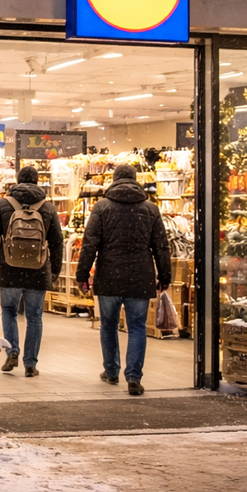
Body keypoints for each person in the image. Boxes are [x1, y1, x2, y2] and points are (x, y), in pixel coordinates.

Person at [75, 164, 171, 396]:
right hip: (140, 276)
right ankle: (134, 377)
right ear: (135, 181)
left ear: (114, 181)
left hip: (109, 274)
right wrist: (165, 276)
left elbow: (90, 244)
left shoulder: (102, 207)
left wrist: (82, 275)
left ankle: (111, 370)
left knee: (108, 325)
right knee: (137, 326)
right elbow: (161, 246)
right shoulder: (150, 209)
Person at [0, 166, 64, 376]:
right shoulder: (47, 207)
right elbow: (56, 241)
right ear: (37, 182)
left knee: (9, 312)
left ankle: (12, 350)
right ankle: (30, 364)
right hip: (38, 268)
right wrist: (55, 268)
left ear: (17, 182)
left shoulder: (3, 204)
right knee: (35, 316)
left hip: (10, 267)